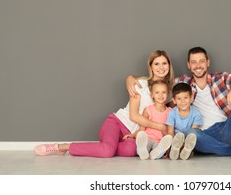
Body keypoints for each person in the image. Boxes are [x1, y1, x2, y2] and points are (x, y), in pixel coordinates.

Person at [126, 47, 231, 160]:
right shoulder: (183, 82)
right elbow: (160, 83)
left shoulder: (219, 78)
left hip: (227, 127)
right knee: (191, 134)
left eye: (201, 61)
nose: (198, 65)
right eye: (193, 62)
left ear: (208, 62)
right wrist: (131, 78)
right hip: (203, 134)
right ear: (188, 65)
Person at [34, 50, 175, 158]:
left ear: (169, 66)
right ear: (151, 66)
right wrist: (161, 127)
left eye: (164, 63)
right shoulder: (140, 84)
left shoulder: (169, 92)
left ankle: (106, 145)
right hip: (118, 123)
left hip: (135, 133)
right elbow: (133, 116)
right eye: (156, 63)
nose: (161, 67)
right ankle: (62, 147)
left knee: (132, 150)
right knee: (107, 151)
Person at [124, 80, 173, 160]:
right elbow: (142, 128)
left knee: (160, 148)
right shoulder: (148, 110)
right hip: (148, 138)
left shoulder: (171, 112)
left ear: (167, 95)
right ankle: (142, 151)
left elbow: (170, 130)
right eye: (157, 92)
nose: (160, 95)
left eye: (163, 92)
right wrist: (132, 135)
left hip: (160, 141)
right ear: (152, 95)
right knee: (144, 144)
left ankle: (155, 154)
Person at [166, 82, 202, 160]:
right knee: (176, 138)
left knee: (193, 136)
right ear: (174, 100)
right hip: (176, 139)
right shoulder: (172, 113)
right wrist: (171, 143)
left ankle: (186, 150)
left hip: (188, 140)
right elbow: (170, 132)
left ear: (191, 98)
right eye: (179, 99)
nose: (183, 101)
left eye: (185, 98)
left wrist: (186, 143)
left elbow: (193, 132)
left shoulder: (196, 113)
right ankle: (175, 149)